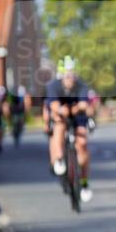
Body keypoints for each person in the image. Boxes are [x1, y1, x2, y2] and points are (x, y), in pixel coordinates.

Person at [45, 56, 94, 202]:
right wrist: (61, 109)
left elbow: (84, 104)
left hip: (77, 115)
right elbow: (53, 104)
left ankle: (84, 183)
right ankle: (60, 158)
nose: (70, 78)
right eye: (67, 75)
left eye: (72, 74)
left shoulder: (81, 86)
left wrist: (78, 107)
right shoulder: (53, 86)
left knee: (82, 144)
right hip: (61, 114)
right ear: (61, 75)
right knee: (59, 126)